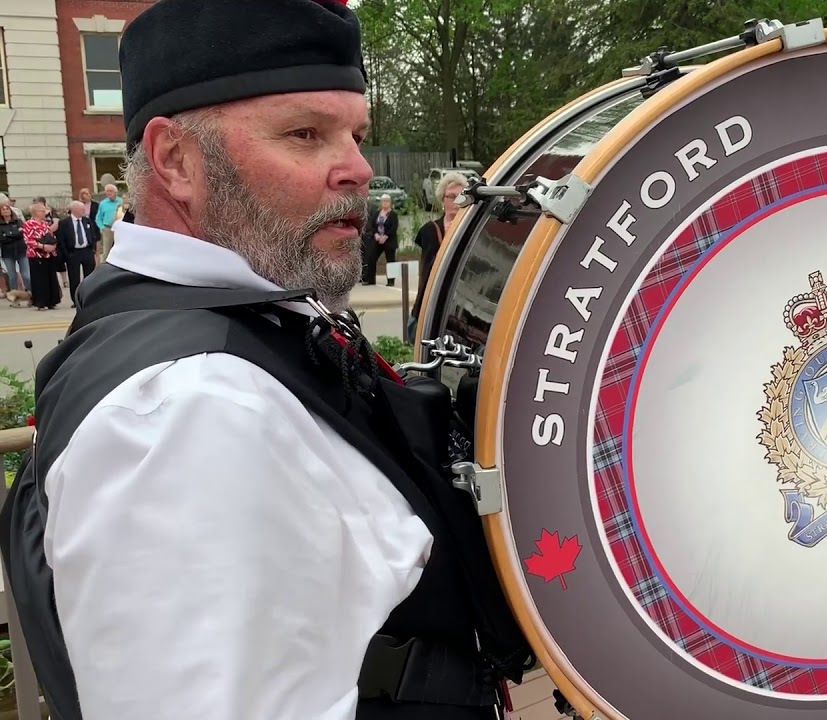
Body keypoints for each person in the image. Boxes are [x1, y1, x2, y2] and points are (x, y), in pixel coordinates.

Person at [0, 2, 533, 720]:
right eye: (305, 133)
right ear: (176, 161)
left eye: (356, 135)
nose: (357, 169)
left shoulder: (228, 323)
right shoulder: (190, 410)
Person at [408, 172, 466, 337]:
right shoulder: (430, 231)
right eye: (452, 196)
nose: (457, 201)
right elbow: (427, 272)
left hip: (460, 310)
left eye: (461, 196)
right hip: (432, 303)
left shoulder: (471, 231)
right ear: (443, 200)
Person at [56, 200, 98, 306]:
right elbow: (61, 240)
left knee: (89, 276)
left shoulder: (87, 221)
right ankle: (76, 300)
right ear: (74, 210)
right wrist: (66, 255)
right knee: (74, 278)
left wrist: (93, 248)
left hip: (87, 251)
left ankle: (90, 298)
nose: (84, 211)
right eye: (81, 209)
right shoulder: (64, 223)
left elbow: (93, 235)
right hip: (73, 253)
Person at [21, 203, 60, 310]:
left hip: (49, 254)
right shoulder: (28, 224)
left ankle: (52, 300)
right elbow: (28, 240)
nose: (45, 213)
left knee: (50, 277)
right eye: (43, 211)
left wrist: (53, 245)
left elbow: (51, 235)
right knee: (39, 279)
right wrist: (42, 246)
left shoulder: (45, 224)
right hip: (36, 255)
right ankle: (40, 301)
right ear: (36, 212)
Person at [361, 193, 398, 286]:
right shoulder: (378, 213)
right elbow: (373, 225)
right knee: (371, 257)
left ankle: (391, 281)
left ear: (390, 202)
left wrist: (385, 236)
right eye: (383, 201)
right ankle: (370, 279)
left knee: (390, 260)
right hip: (377, 239)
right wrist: (376, 234)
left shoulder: (393, 214)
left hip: (388, 240)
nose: (385, 203)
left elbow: (394, 227)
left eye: (387, 201)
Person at [0, 203, 28, 293]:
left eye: (7, 209)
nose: (5, 210)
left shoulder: (18, 221)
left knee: (26, 275)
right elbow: (2, 238)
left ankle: (31, 293)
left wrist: (8, 234)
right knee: (12, 276)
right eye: (3, 209)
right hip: (7, 253)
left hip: (21, 251)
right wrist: (13, 234)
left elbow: (21, 233)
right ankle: (14, 295)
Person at [94, 183, 122, 259]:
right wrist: (102, 227)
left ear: (115, 192)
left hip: (120, 229)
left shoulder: (121, 201)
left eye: (111, 191)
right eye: (107, 191)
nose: (109, 193)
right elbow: (98, 218)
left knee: (120, 249)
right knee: (107, 251)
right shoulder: (103, 203)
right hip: (107, 229)